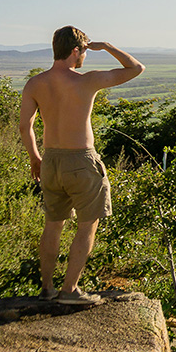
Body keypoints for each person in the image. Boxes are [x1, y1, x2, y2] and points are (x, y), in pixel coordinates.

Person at [19, 26, 144, 305]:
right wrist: (108, 46)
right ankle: (70, 290)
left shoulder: (34, 84)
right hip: (81, 160)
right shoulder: (86, 81)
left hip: (50, 159)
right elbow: (136, 68)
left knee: (53, 225)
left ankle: (47, 288)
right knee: (88, 225)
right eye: (84, 50)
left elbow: (24, 126)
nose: (85, 55)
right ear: (76, 51)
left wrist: (35, 158)